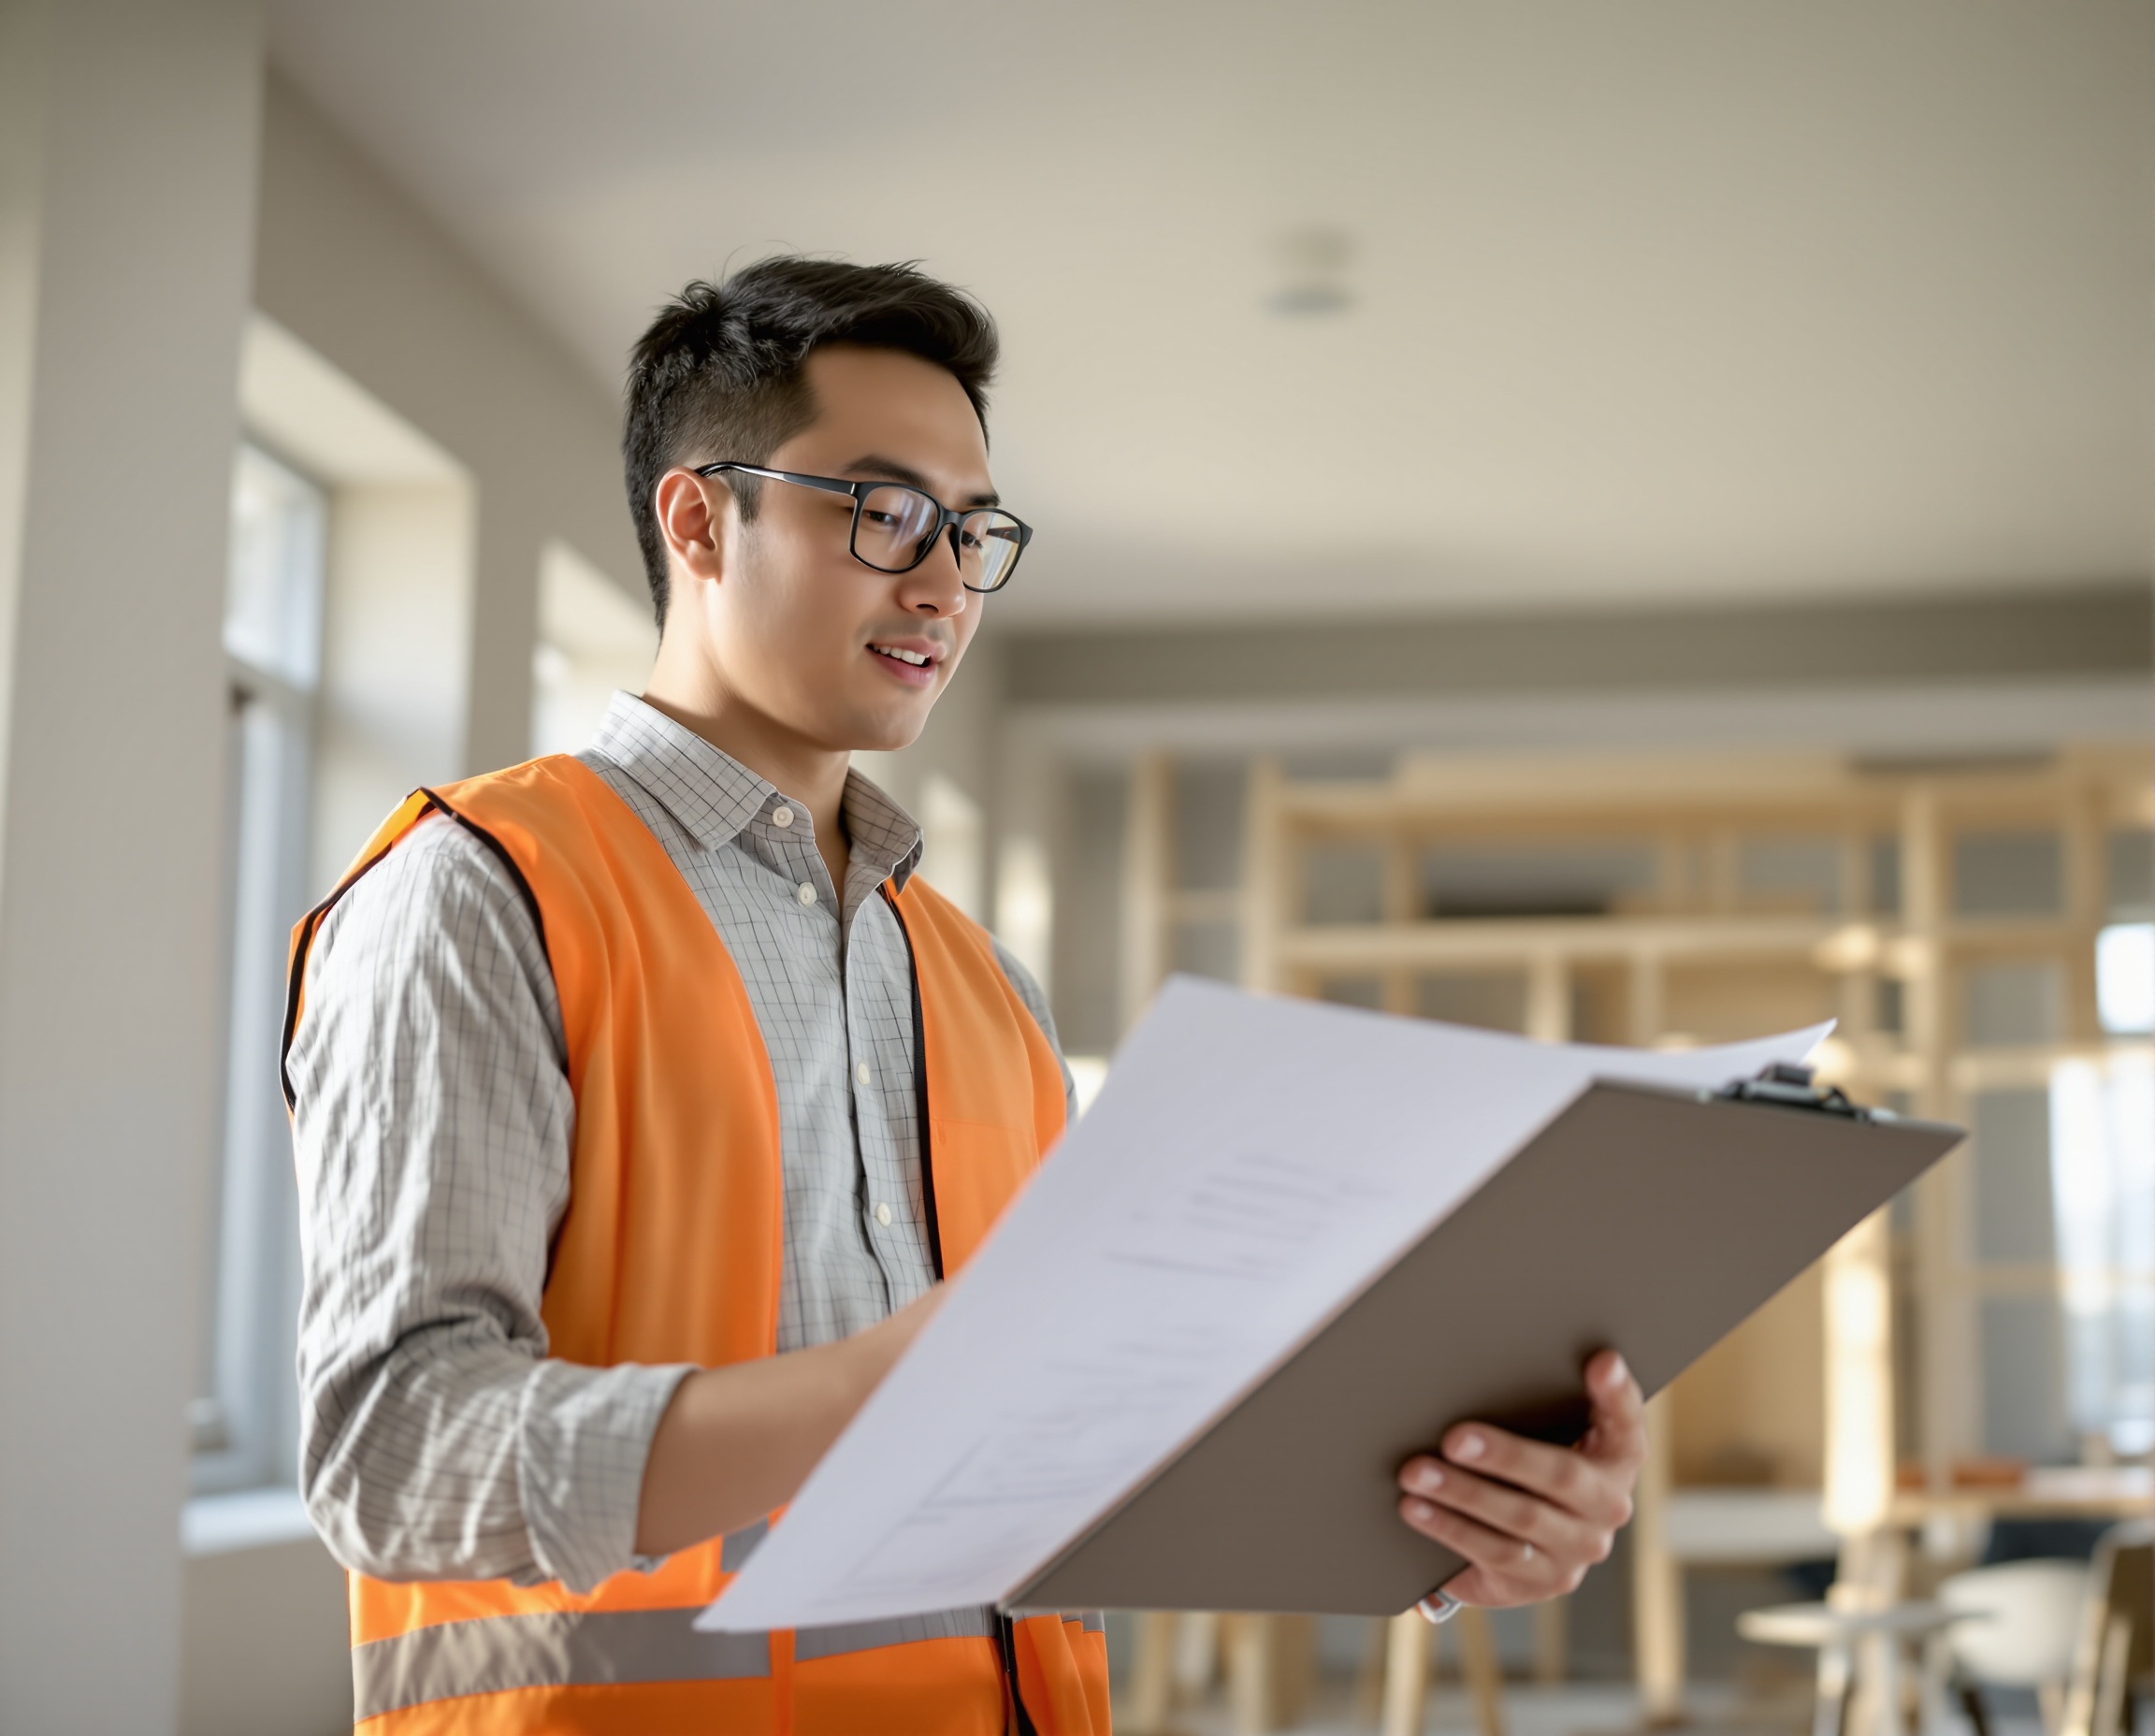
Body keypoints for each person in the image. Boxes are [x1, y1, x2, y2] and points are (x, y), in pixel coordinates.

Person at [286, 256, 1646, 1736]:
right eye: (882, 513)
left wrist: (1439, 1523)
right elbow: (392, 1455)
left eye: (973, 529)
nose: (942, 580)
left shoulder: (985, 985)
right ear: (700, 520)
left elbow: (1076, 1461)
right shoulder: (481, 893)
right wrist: (890, 1395)